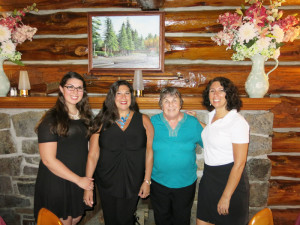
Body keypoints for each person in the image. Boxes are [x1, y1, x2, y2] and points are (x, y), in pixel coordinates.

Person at [83, 80, 154, 225]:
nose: (123, 97)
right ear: (112, 97)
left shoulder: (144, 120)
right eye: (119, 93)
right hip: (107, 180)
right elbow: (93, 155)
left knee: (125, 218)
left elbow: (149, 152)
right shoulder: (101, 120)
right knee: (111, 218)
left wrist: (147, 181)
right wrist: (88, 187)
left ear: (131, 97)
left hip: (133, 179)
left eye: (127, 93)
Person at [34, 72, 94, 225]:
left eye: (79, 88)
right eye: (70, 87)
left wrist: (84, 181)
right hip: (58, 182)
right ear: (61, 89)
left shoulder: (85, 116)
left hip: (78, 180)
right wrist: (79, 180)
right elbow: (48, 160)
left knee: (75, 220)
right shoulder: (51, 119)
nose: (75, 92)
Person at [196, 77, 250, 225]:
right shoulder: (212, 116)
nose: (216, 95)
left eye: (221, 90)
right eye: (212, 91)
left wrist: (226, 196)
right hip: (209, 180)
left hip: (229, 182)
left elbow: (239, 164)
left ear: (229, 94)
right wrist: (195, 121)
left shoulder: (237, 122)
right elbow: (212, 133)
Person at [150, 87, 203, 225]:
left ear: (181, 103)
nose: (171, 104)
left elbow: (211, 141)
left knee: (182, 220)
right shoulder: (151, 122)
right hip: (158, 182)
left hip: (185, 183)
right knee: (161, 220)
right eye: (166, 101)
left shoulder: (192, 123)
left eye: (174, 100)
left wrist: (199, 122)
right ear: (161, 105)